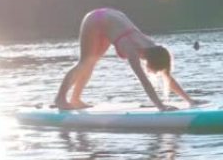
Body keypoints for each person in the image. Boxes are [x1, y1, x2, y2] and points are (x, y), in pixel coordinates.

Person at [54, 8, 200, 111]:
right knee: (85, 62)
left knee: (91, 63)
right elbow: (144, 80)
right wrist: (160, 106)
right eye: (154, 70)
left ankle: (75, 99)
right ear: (152, 62)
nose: (153, 72)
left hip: (110, 20)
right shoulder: (132, 49)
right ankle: (60, 99)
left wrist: (189, 100)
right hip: (95, 20)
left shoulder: (153, 48)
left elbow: (167, 76)